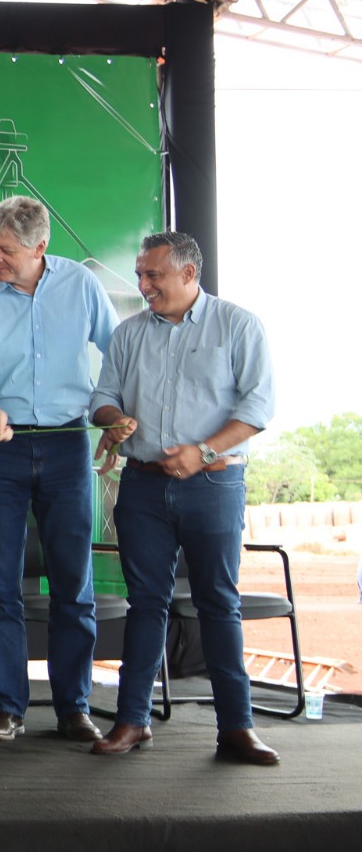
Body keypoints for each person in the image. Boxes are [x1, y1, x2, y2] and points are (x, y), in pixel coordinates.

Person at [89, 230, 278, 765]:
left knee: (219, 602)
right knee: (145, 603)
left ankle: (236, 728)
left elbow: (258, 406)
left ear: (190, 274)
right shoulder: (128, 335)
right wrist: (114, 419)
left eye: (154, 275)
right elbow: (102, 397)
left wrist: (206, 452)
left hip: (214, 485)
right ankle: (132, 721)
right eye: (141, 274)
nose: (143, 284)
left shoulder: (238, 325)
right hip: (143, 486)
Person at [0, 196, 117, 743]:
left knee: (74, 579)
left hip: (69, 442)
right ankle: (7, 708)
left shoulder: (82, 285)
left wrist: (115, 415)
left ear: (41, 247)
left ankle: (74, 706)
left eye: (6, 250)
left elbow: (116, 354)